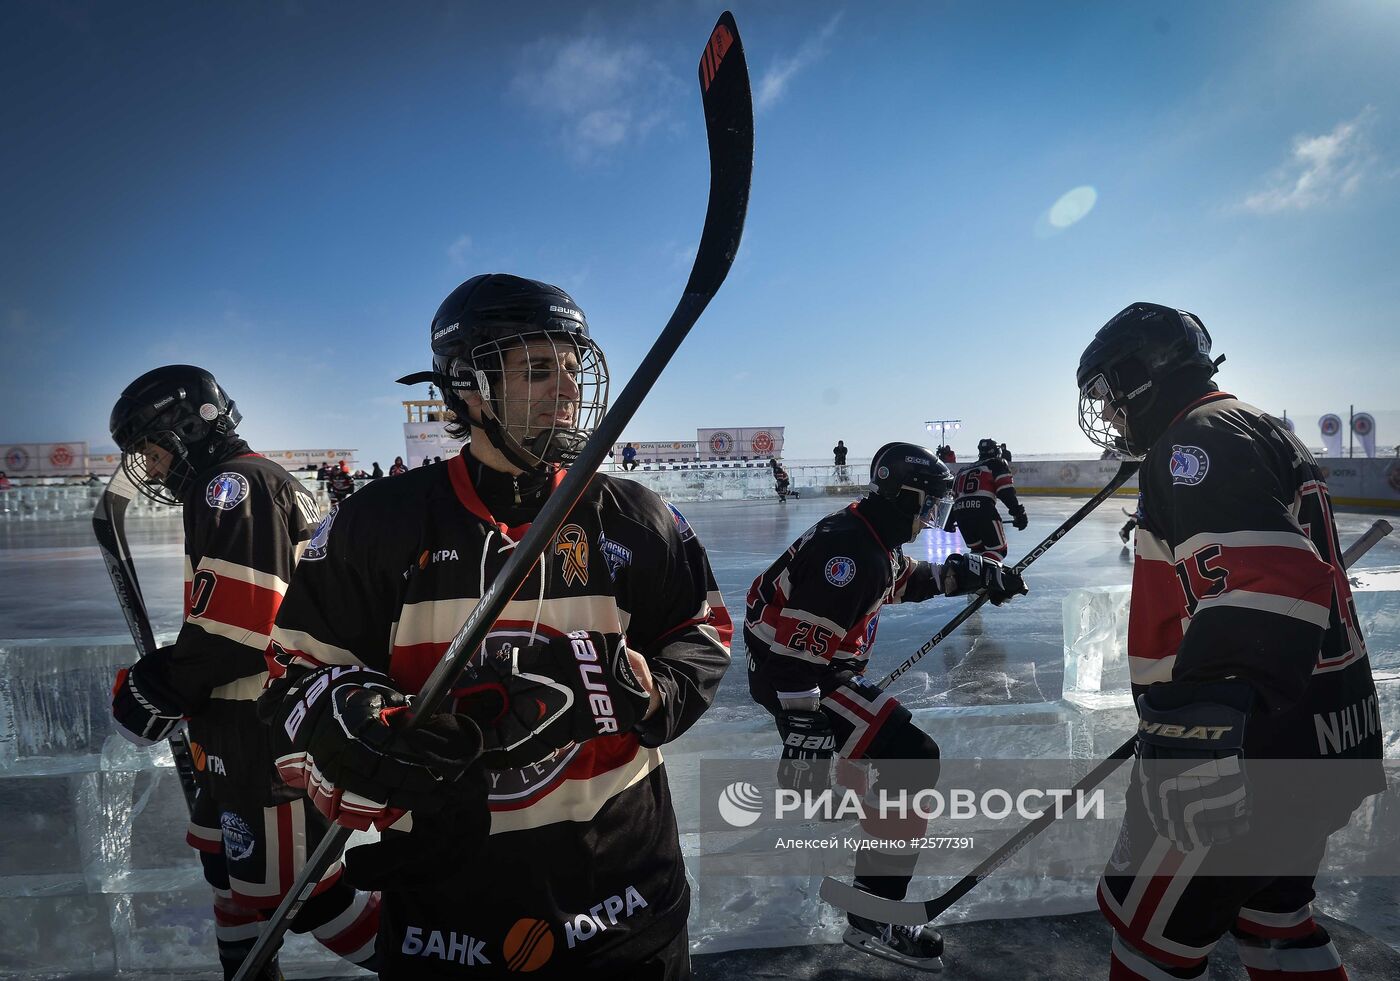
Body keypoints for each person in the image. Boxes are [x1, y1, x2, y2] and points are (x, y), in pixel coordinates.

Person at [258, 273, 732, 979]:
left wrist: (652, 691)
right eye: (539, 369)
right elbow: (293, 673)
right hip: (446, 920)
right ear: (468, 388)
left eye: (572, 369)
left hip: (626, 901)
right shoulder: (378, 523)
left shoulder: (636, 515)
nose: (568, 389)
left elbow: (702, 635)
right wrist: (345, 716)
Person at [1076, 303, 1384, 980]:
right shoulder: (1247, 424)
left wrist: (1198, 732)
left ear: (1139, 377)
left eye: (1109, 395)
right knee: (1276, 923)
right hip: (1324, 736)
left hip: (1250, 754)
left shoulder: (1197, 439)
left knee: (1149, 940)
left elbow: (1265, 581)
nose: (1111, 415)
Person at [106, 365, 379, 980]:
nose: (147, 468)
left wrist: (156, 689)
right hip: (238, 727)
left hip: (263, 729)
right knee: (233, 882)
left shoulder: (233, 485)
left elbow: (239, 631)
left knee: (302, 898)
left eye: (147, 449)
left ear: (184, 429)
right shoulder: (249, 480)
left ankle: (437, 964)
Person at [745, 442, 1026, 970]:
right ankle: (874, 913)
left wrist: (977, 575)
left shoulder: (870, 531)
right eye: (928, 504)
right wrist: (803, 735)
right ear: (904, 496)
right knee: (912, 756)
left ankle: (872, 884)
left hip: (816, 667)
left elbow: (909, 578)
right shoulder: (852, 555)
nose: (931, 517)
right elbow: (791, 662)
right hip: (801, 675)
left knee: (899, 750)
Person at [945, 438, 1026, 561]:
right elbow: (1005, 491)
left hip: (961, 514)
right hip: (984, 512)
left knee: (977, 551)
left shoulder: (962, 471)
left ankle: (972, 578)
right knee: (998, 551)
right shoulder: (996, 463)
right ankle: (990, 579)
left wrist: (949, 520)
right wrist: (1018, 512)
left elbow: (954, 498)